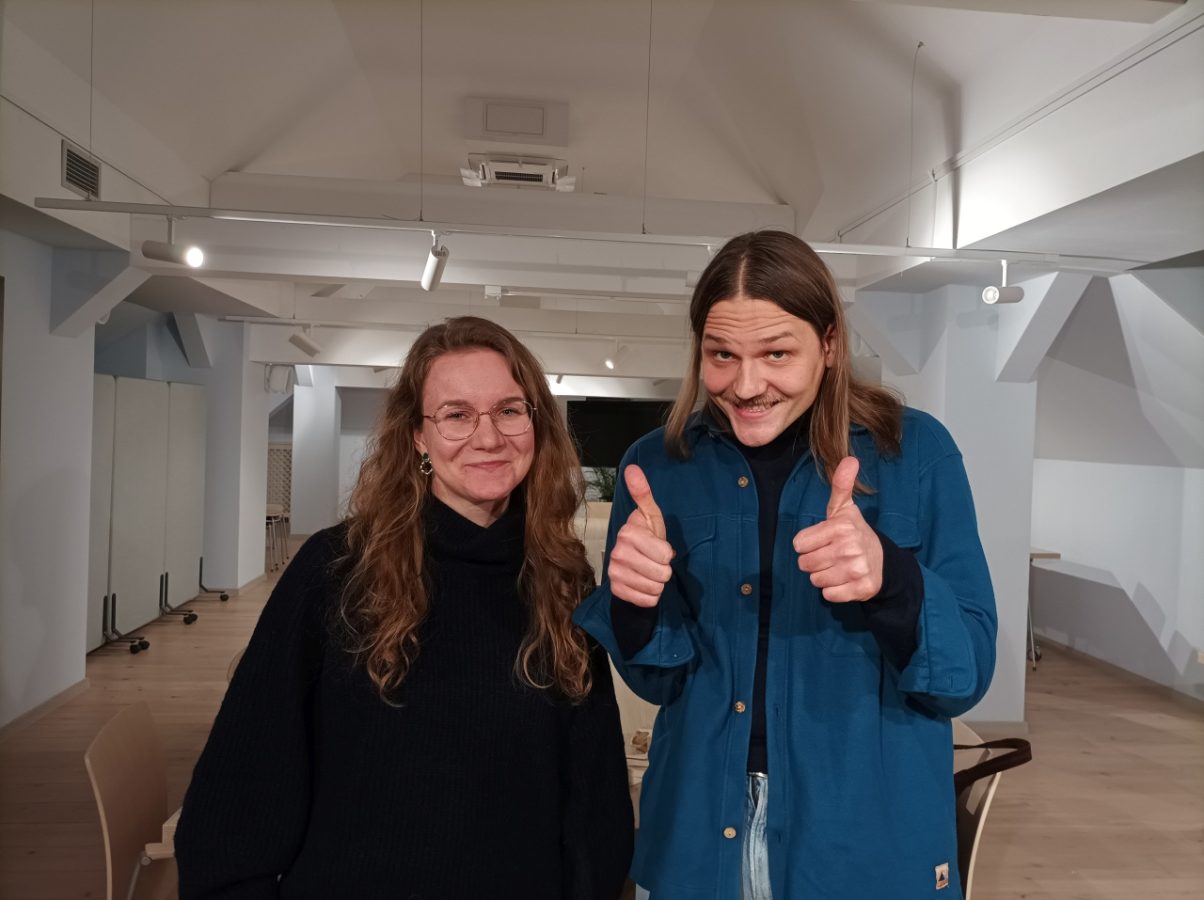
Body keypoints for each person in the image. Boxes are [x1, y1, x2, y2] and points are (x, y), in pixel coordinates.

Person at [574, 231, 997, 900]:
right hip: (696, 832)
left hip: (864, 841)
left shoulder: (914, 452)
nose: (746, 386)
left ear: (828, 344)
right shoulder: (655, 467)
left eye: (776, 353)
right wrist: (633, 601)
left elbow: (965, 675)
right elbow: (658, 681)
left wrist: (891, 578)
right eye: (722, 355)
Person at [176, 316, 633, 900]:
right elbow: (246, 772)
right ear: (418, 436)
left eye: (509, 410)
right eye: (456, 414)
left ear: (536, 423)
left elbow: (593, 791)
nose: (488, 437)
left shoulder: (563, 579)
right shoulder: (336, 568)